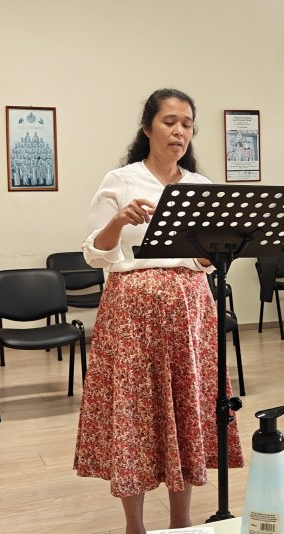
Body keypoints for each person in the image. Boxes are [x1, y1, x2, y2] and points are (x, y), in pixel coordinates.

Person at [74, 88, 244, 534]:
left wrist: (211, 253)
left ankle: (181, 523)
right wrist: (119, 221)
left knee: (184, 411)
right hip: (131, 314)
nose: (179, 131)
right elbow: (94, 254)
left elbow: (205, 260)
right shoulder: (120, 180)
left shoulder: (200, 187)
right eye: (170, 122)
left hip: (190, 311)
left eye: (187, 124)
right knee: (134, 413)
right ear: (147, 128)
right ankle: (135, 526)